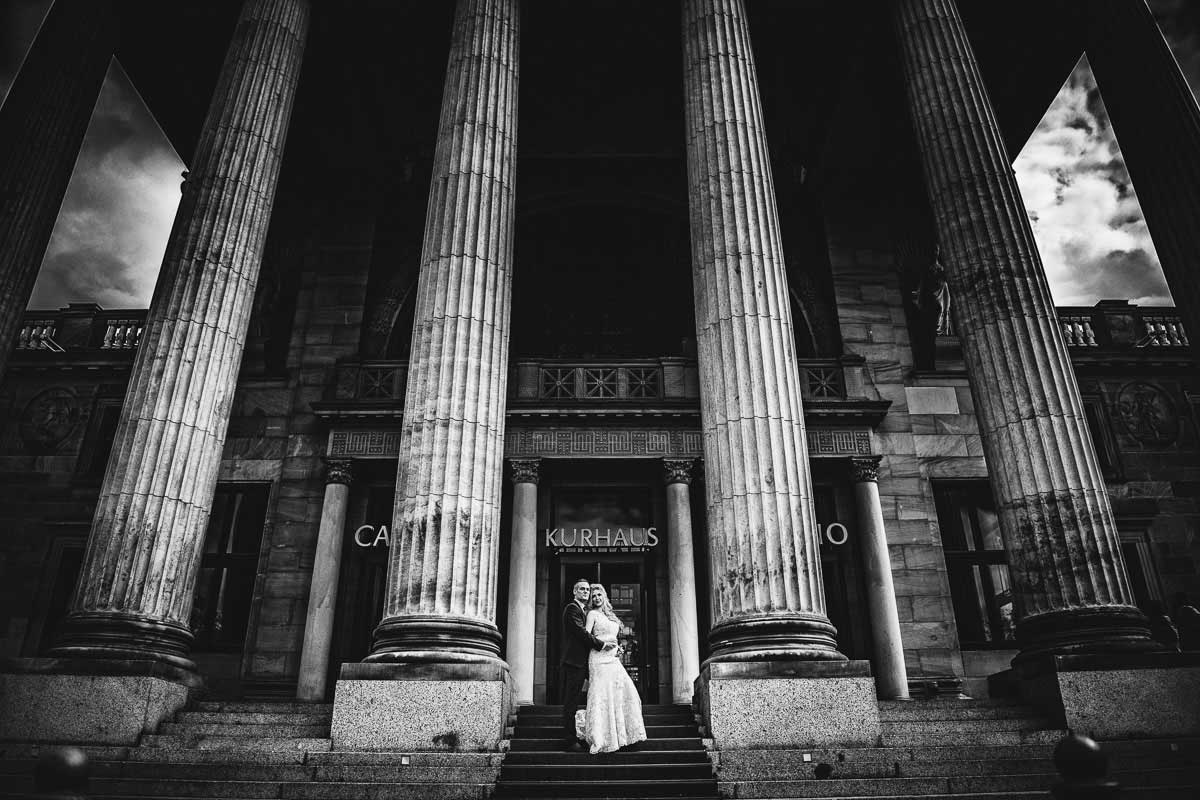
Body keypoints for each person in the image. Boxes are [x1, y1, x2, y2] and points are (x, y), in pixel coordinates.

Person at [580, 583, 647, 754]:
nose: (596, 598)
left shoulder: (612, 616)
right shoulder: (592, 614)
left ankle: (622, 737)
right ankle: (601, 738)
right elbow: (586, 637)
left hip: (613, 660)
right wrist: (603, 645)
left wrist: (618, 648)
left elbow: (615, 638)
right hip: (598, 659)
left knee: (626, 692)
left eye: (599, 595)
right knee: (602, 695)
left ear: (604, 596)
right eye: (593, 596)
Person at [560, 577, 612, 751]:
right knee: (571, 702)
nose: (585, 592)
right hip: (574, 663)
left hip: (586, 662)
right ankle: (569, 740)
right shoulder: (572, 609)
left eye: (587, 590)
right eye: (581, 589)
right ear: (574, 592)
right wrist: (602, 645)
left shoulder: (584, 611)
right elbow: (581, 633)